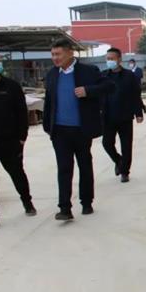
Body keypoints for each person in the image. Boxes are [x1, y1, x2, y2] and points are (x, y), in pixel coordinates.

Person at [43, 39, 115, 221]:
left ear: (70, 53)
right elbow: (49, 102)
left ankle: (86, 202)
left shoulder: (88, 71)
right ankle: (65, 208)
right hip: (60, 131)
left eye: (58, 54)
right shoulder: (52, 74)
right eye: (52, 55)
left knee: (84, 165)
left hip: (81, 129)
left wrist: (88, 91)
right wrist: (47, 126)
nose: (55, 58)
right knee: (64, 168)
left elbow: (109, 86)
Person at [0, 50, 36, 230]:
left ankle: (27, 201)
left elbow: (22, 113)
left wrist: (22, 137)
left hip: (9, 140)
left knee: (17, 173)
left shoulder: (11, 86)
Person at [101, 48, 144, 183]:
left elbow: (135, 95)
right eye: (108, 59)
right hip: (108, 117)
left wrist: (138, 113)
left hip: (125, 116)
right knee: (107, 143)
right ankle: (118, 161)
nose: (109, 61)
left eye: (112, 59)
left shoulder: (129, 76)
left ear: (119, 59)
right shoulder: (103, 76)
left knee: (126, 146)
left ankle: (125, 171)